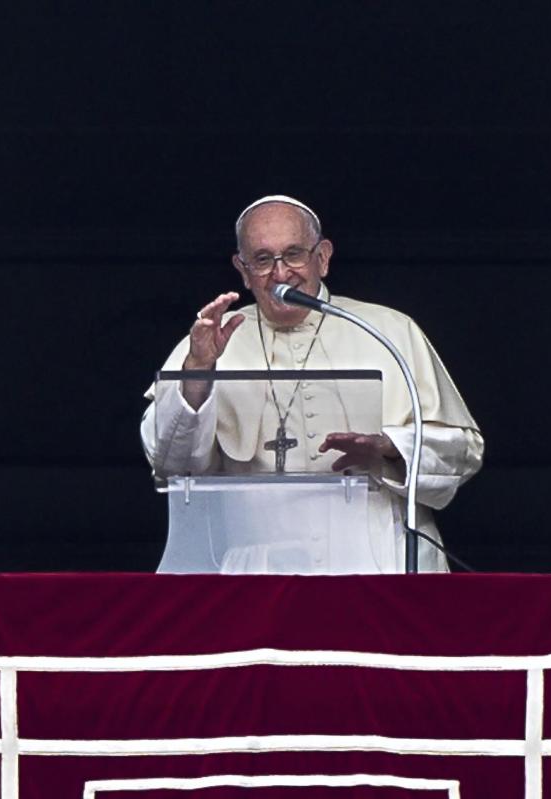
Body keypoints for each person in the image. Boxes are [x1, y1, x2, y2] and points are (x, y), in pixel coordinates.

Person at [141, 195, 483, 573]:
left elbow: (463, 453)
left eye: (293, 254)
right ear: (242, 269)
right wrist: (198, 370)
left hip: (377, 561)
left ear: (322, 257)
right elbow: (171, 463)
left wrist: (389, 448)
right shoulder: (211, 342)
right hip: (259, 572)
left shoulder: (389, 331)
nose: (281, 273)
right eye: (262, 259)